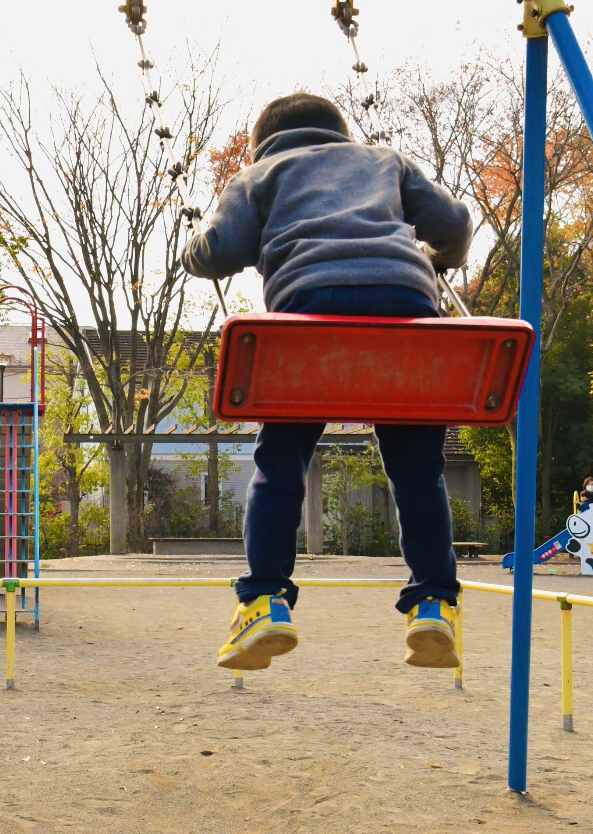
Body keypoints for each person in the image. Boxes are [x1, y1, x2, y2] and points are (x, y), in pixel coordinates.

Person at [182, 92, 473, 672]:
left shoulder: (259, 173)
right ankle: (434, 601)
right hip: (406, 308)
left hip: (309, 313)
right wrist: (440, 260)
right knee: (418, 468)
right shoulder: (386, 160)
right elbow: (456, 223)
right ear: (340, 134)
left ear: (264, 141)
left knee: (281, 460)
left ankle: (265, 601)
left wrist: (193, 247)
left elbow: (218, 251)